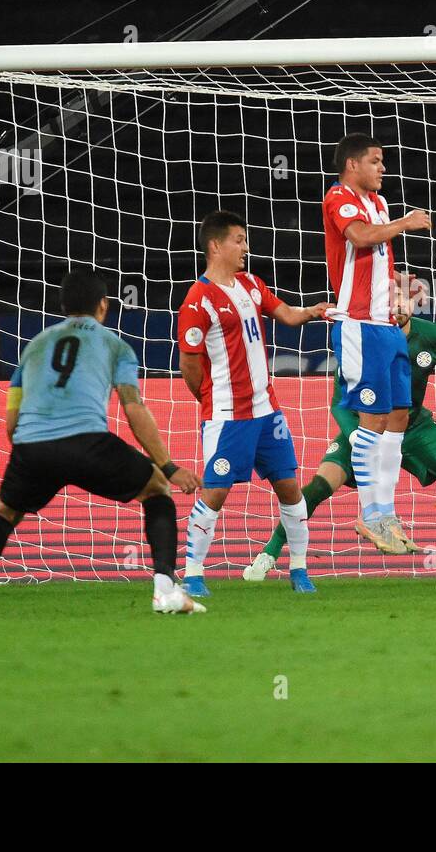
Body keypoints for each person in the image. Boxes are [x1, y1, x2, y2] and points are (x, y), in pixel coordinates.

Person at [0, 269, 203, 618]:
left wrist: (27, 454)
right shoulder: (115, 345)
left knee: (6, 512)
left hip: (33, 447)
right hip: (87, 443)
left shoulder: (35, 346)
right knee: (156, 489)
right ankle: (165, 590)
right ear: (103, 306)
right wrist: (169, 467)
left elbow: (13, 417)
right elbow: (133, 409)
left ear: (63, 304)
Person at [243, 276, 436, 578]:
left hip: (415, 429)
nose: (397, 303)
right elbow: (338, 402)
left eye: (403, 296)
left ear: (415, 300)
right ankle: (267, 556)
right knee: (316, 488)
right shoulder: (361, 340)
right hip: (366, 429)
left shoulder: (435, 338)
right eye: (390, 297)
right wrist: (357, 438)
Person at [176, 211, 328, 597]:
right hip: (228, 417)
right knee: (215, 492)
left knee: (291, 489)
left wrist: (312, 311)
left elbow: (286, 315)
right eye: (239, 240)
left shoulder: (251, 284)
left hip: (268, 413)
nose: (245, 247)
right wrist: (213, 402)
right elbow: (189, 365)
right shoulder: (199, 299)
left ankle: (299, 570)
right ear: (216, 246)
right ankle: (192, 574)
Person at [322, 133, 432, 554]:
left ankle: (386, 511)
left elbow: (377, 259)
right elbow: (359, 237)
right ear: (353, 165)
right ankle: (369, 514)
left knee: (398, 415)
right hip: (358, 326)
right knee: (371, 420)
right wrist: (405, 223)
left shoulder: (380, 205)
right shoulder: (339, 198)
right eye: (375, 161)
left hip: (387, 326)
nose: (382, 168)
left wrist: (399, 285)